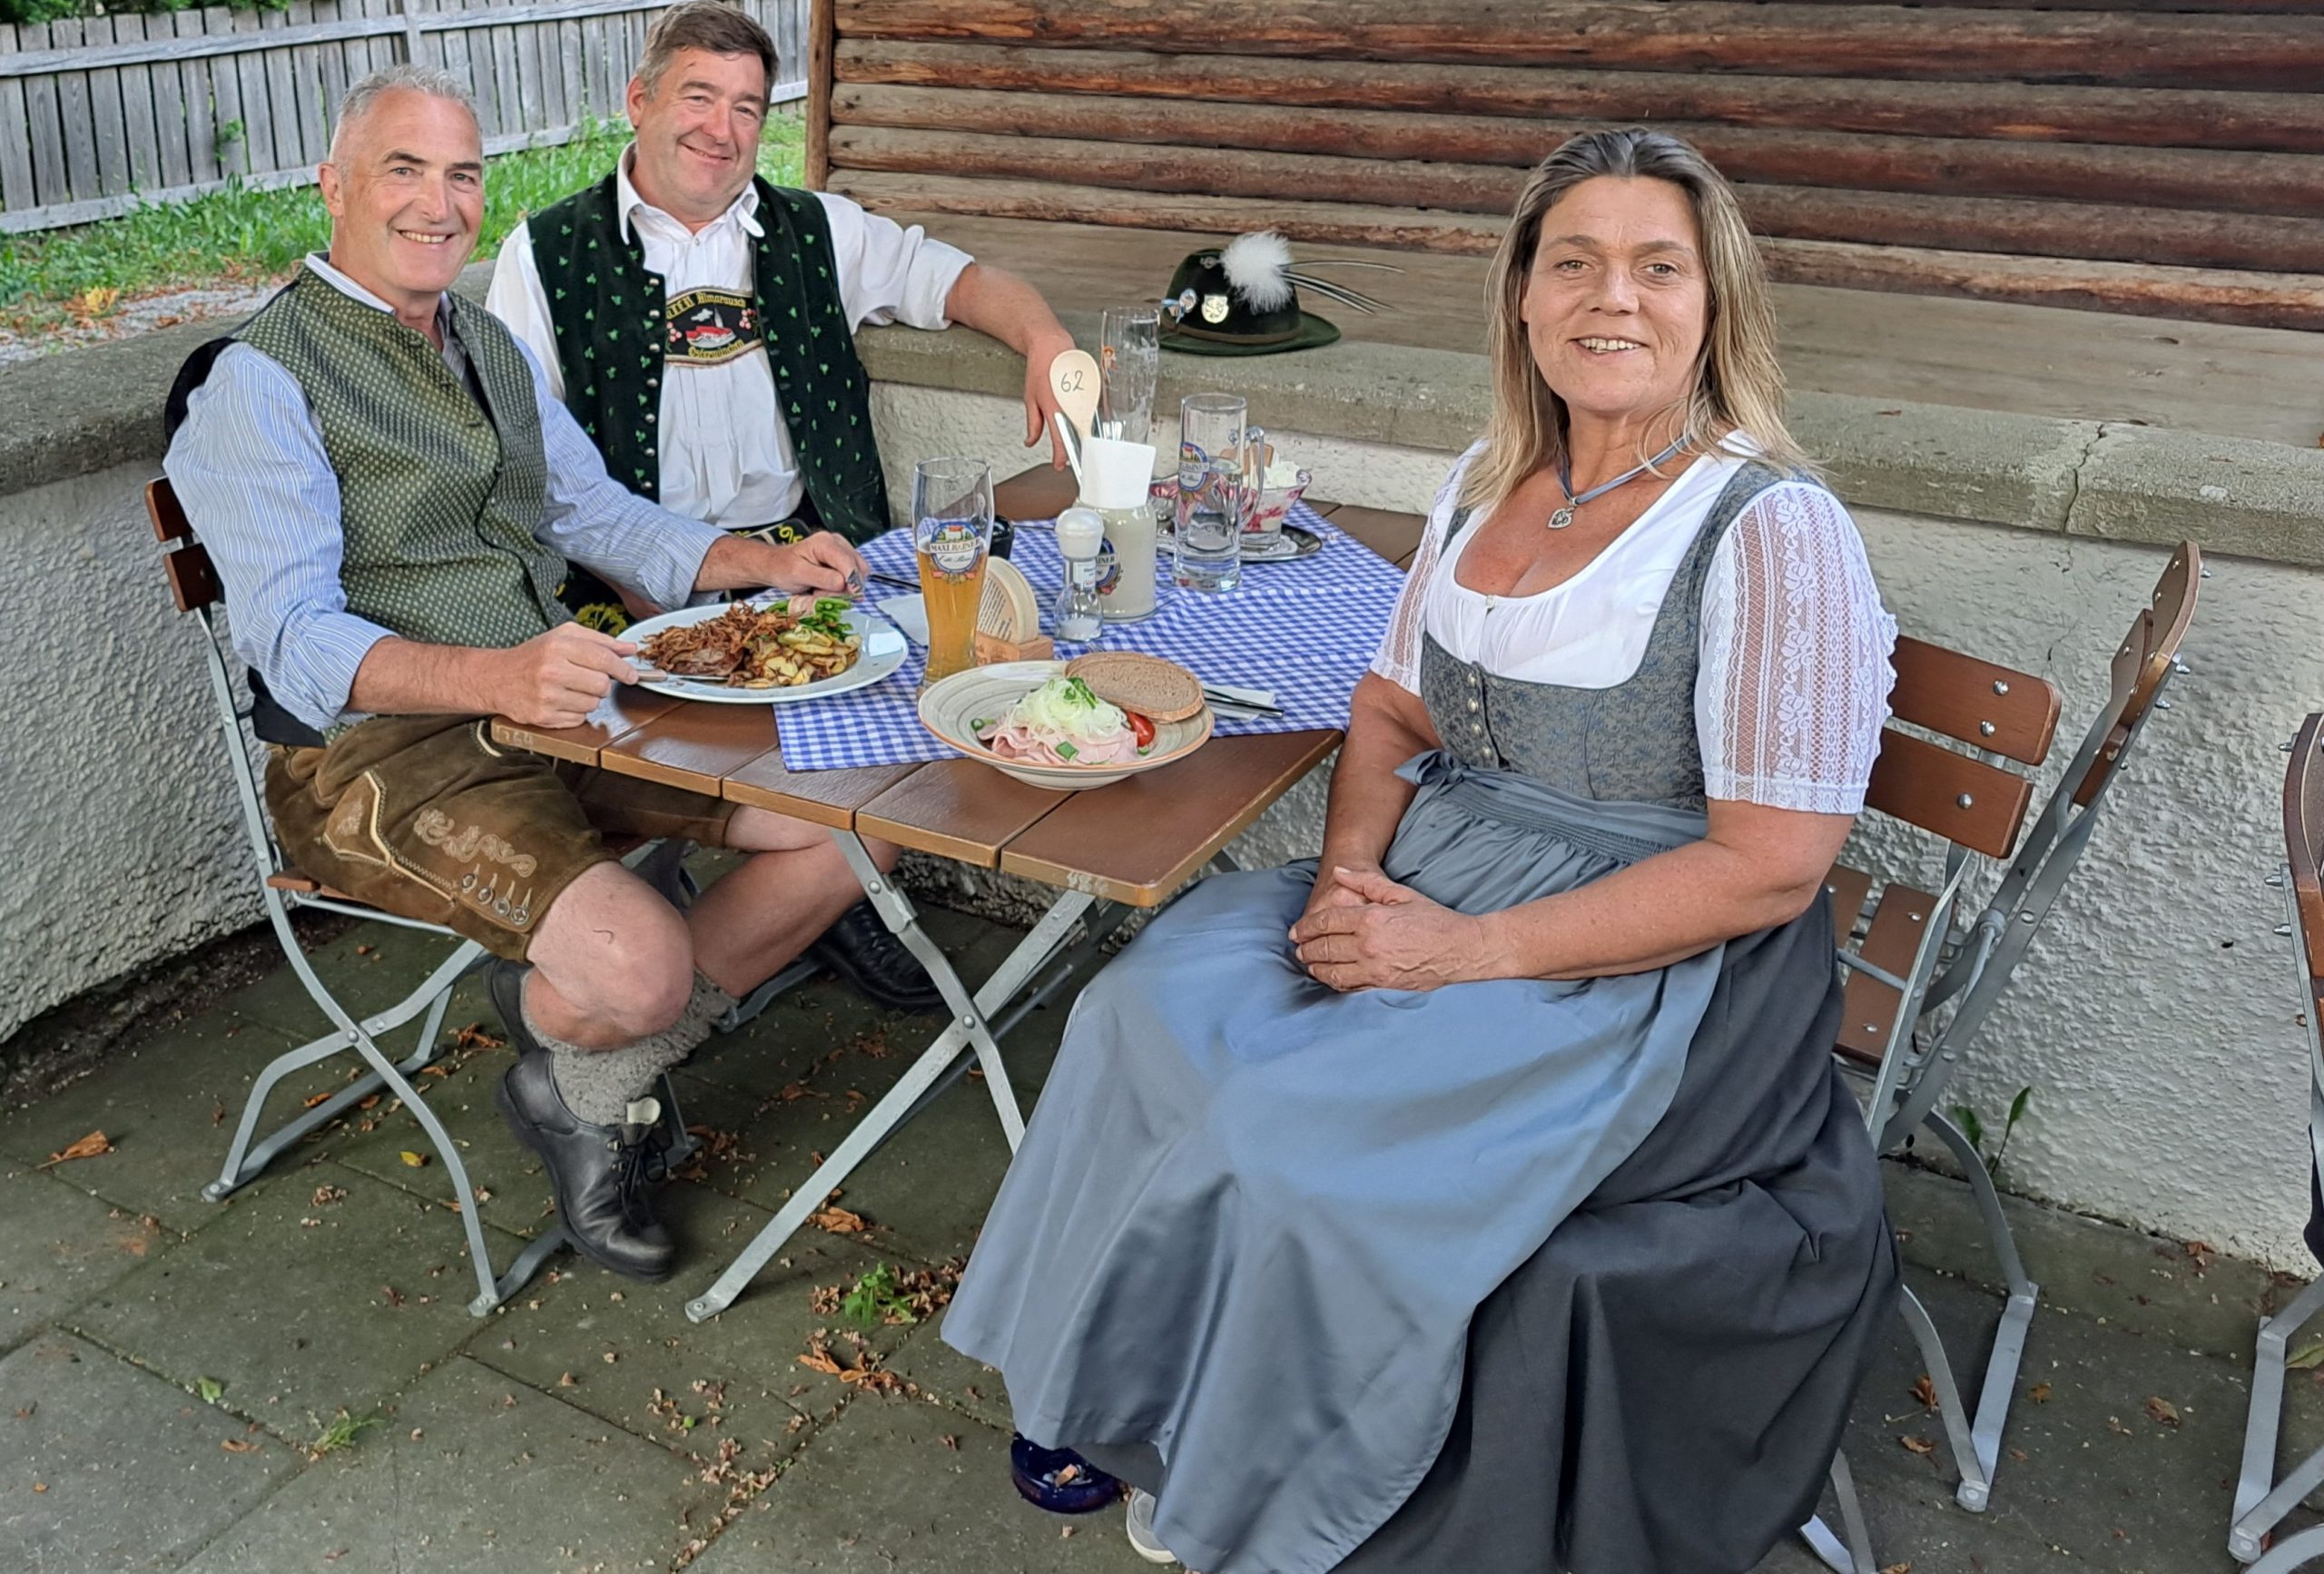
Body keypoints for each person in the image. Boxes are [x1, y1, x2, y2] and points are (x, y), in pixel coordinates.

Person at [941, 127, 1904, 1574]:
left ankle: (1277, 1464)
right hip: (1438, 875)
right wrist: (1348, 878)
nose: (1614, 299)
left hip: (1649, 958)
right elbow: (1391, 705)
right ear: (1522, 297)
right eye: (1573, 261)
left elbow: (1768, 865)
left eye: (1659, 268)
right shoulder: (1487, 476)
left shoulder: (1771, 529)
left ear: (1717, 307)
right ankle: (1132, 1392)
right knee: (1141, 1009)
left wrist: (1461, 951)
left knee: (1290, 1137)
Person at [162, 64, 891, 1286]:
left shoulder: (484, 340)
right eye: (404, 169)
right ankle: (603, 1029)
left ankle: (583, 1073)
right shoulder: (258, 379)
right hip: (365, 757)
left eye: (462, 173)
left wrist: (766, 563)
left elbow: (599, 511)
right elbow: (293, 641)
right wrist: (499, 673)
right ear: (333, 184)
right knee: (647, 966)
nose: (439, 204)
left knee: (857, 816)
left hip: (550, 704)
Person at [485, 1, 1075, 1010]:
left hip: (806, 565)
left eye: (748, 108)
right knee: (710, 745)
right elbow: (532, 473)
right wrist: (660, 596)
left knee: (945, 697)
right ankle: (685, 943)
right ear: (640, 101)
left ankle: (824, 908)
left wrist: (1048, 342)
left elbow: (964, 281)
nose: (722, 130)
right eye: (698, 98)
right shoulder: (542, 257)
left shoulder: (819, 231)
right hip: (623, 586)